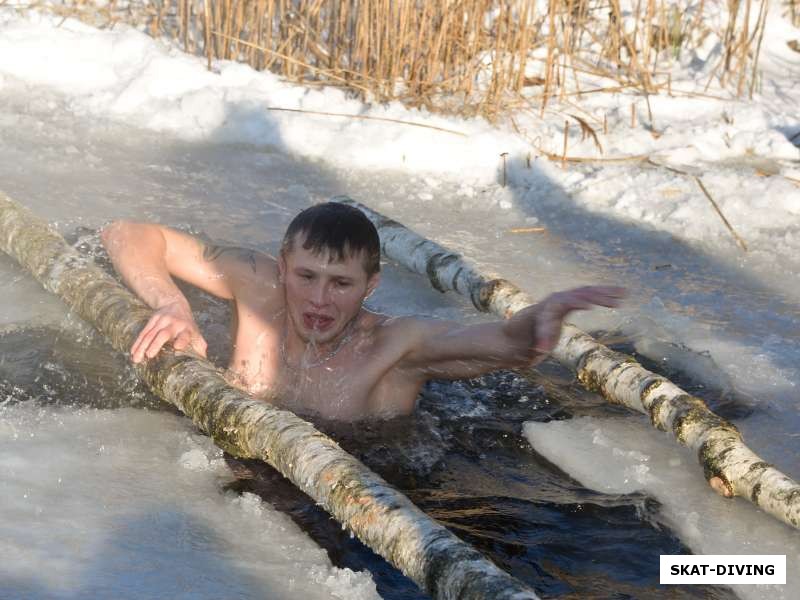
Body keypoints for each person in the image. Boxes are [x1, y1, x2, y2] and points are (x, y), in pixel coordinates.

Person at [102, 202, 624, 420]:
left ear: (371, 285)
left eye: (341, 284)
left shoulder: (395, 346)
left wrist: (541, 318)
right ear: (283, 267)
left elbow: (507, 346)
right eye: (306, 277)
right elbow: (125, 234)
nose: (319, 300)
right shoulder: (260, 286)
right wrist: (174, 306)